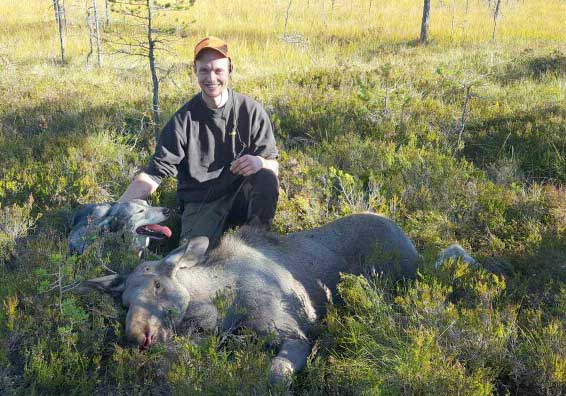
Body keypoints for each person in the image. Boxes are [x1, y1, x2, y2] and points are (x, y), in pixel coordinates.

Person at [119, 36, 279, 247]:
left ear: (230, 70)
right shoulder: (183, 119)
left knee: (266, 177)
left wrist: (261, 162)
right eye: (204, 70)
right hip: (202, 202)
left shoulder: (250, 111)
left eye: (218, 70)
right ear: (195, 70)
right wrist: (116, 208)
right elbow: (153, 174)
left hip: (241, 196)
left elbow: (273, 164)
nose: (211, 78)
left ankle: (257, 246)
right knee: (191, 260)